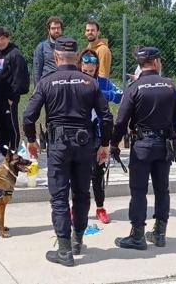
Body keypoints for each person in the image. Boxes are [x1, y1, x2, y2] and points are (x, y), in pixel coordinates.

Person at [23, 36, 113, 267]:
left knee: (59, 198)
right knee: (82, 194)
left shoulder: (47, 81)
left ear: (55, 56)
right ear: (76, 58)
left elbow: (28, 116)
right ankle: (77, 241)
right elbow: (106, 116)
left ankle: (64, 251)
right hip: (84, 145)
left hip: (59, 146)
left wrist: (32, 141)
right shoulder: (89, 82)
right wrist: (104, 144)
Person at [111, 46, 176, 250]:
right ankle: (160, 233)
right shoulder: (171, 86)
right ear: (155, 62)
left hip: (142, 146)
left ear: (141, 64)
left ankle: (138, 235)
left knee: (138, 191)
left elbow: (121, 121)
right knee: (163, 189)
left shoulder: (134, 87)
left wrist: (113, 144)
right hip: (165, 146)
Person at [79, 48, 122, 224]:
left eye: (91, 71)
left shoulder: (103, 83)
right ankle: (78, 208)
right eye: (85, 71)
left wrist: (99, 93)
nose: (88, 74)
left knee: (98, 172)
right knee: (79, 174)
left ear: (96, 69)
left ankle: (100, 207)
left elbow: (120, 96)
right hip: (79, 133)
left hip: (98, 134)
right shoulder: (75, 81)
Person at [0, 27, 29, 160]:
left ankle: (12, 152)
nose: (0, 42)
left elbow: (19, 78)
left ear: (8, 38)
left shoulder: (15, 54)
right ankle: (1, 152)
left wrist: (13, 97)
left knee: (10, 126)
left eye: (3, 39)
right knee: (0, 127)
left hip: (9, 99)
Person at [33, 16, 63, 87]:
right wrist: (37, 90)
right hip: (48, 86)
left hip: (64, 85)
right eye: (53, 28)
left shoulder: (68, 45)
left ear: (61, 29)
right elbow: (37, 70)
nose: (56, 31)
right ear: (48, 30)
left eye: (58, 28)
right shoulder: (41, 47)